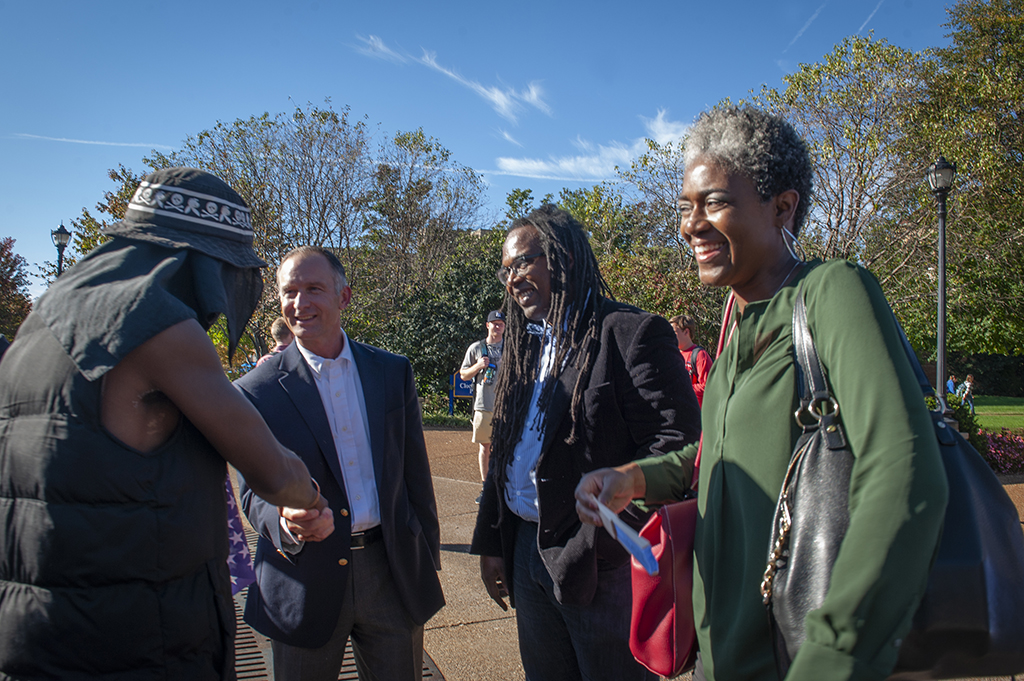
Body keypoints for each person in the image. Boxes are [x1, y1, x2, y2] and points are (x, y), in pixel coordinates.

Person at [575, 106, 949, 681]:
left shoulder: (832, 293)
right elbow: (713, 461)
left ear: (783, 206)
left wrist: (834, 656)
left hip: (798, 660)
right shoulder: (730, 342)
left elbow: (905, 469)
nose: (690, 226)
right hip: (717, 658)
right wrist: (632, 479)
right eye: (686, 208)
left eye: (716, 202)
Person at [0, 167, 328, 680]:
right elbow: (273, 473)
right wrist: (311, 497)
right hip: (136, 637)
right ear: (198, 261)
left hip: (35, 631)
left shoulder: (41, 319)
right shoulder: (157, 320)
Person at [470, 205, 701, 681]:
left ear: (562, 259)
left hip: (602, 568)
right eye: (505, 270)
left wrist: (608, 539)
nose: (511, 279)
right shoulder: (523, 344)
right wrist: (492, 541)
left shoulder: (630, 334)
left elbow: (679, 444)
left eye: (522, 263)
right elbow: (506, 447)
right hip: (526, 553)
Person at [235, 245, 444, 681]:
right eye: (289, 291)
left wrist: (426, 556)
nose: (300, 303)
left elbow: (414, 474)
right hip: (301, 578)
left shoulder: (391, 371)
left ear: (344, 297)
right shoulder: (255, 391)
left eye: (314, 289)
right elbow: (252, 492)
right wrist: (285, 521)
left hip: (391, 571)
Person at [460, 309, 506, 498]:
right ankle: (486, 487)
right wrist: (478, 366)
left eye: (501, 324)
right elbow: (463, 374)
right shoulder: (476, 348)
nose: (498, 326)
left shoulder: (510, 348)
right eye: (495, 323)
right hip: (483, 405)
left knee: (505, 448)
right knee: (485, 447)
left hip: (506, 407)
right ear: (488, 325)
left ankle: (503, 487)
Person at [669, 314, 712, 406]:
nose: (671, 337)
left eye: (674, 333)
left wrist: (682, 388)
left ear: (686, 332)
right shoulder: (673, 354)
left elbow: (708, 386)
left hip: (697, 415)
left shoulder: (700, 355)